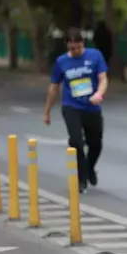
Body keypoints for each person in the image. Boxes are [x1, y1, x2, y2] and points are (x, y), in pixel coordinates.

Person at [43, 28, 108, 193]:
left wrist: (99, 93)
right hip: (71, 106)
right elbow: (54, 87)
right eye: (72, 48)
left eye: (78, 47)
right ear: (67, 46)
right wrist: (47, 111)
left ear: (82, 44)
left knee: (96, 144)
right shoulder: (61, 62)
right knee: (77, 142)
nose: (75, 51)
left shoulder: (95, 56)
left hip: (91, 106)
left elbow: (103, 79)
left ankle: (90, 167)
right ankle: (81, 178)